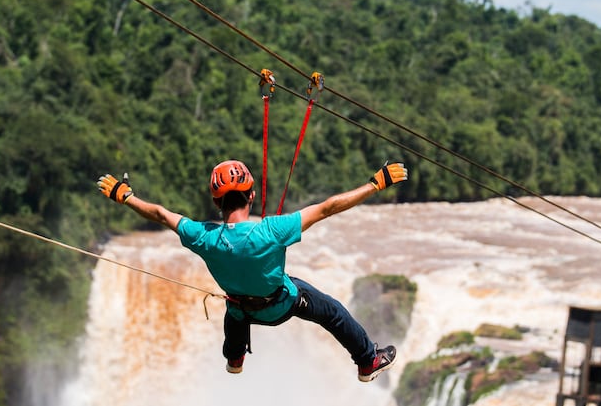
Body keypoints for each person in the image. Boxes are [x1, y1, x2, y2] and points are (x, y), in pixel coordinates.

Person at [96, 160, 408, 382]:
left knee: (235, 306)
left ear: (216, 200)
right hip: (281, 305)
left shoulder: (201, 236)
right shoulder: (272, 230)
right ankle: (368, 362)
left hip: (242, 311)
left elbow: (162, 215)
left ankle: (234, 357)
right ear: (252, 196)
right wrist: (375, 183)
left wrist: (125, 196)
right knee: (333, 312)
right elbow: (328, 207)